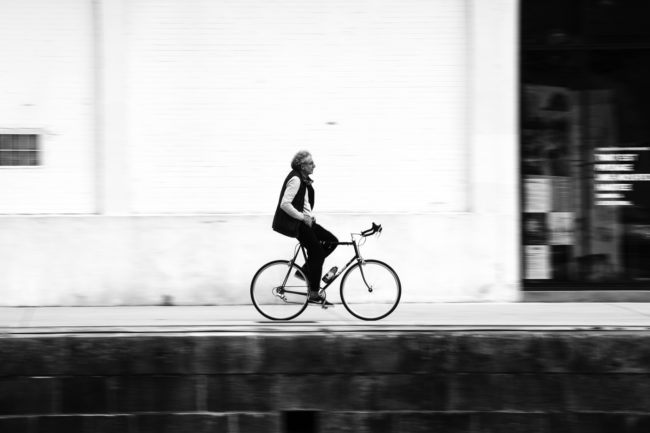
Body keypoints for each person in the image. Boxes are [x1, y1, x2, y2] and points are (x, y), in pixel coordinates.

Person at [272, 150, 338, 304]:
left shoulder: (303, 179)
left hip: (306, 222)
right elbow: (285, 204)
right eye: (310, 163)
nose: (314, 165)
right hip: (299, 225)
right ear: (302, 166)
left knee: (332, 241)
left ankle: (306, 271)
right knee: (318, 255)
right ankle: (314, 294)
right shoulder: (295, 179)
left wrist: (308, 215)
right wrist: (303, 217)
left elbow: (303, 202)